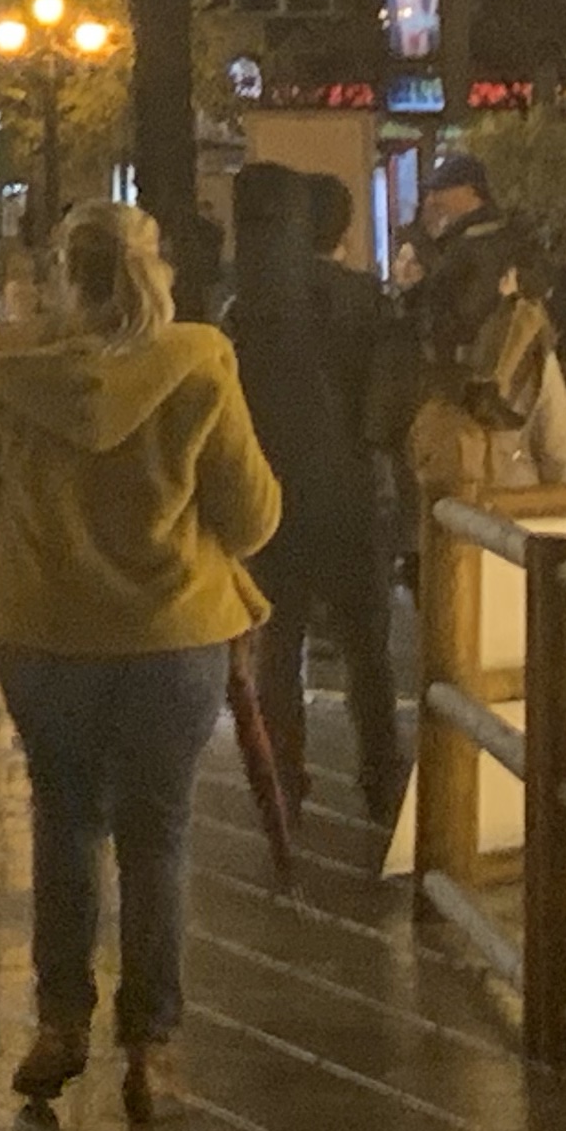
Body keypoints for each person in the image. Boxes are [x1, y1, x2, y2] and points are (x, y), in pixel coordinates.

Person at [0, 201, 280, 1121]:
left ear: (62, 271)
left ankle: (59, 1023)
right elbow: (251, 519)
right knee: (157, 837)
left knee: (63, 823)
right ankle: (153, 1047)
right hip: (173, 638)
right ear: (156, 268)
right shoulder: (199, 364)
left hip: (45, 638)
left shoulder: (3, 376)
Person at [225, 167, 403, 829]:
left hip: (277, 491)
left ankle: (284, 780)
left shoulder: (250, 306)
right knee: (368, 648)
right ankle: (382, 776)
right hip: (351, 492)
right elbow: (389, 396)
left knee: (281, 645)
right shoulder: (366, 299)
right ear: (344, 230)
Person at [404, 154, 566, 499]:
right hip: (517, 361)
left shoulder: (470, 247)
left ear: (471, 192)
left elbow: (447, 313)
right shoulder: (504, 239)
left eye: (442, 190)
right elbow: (563, 457)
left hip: (481, 375)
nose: (434, 199)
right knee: (551, 446)